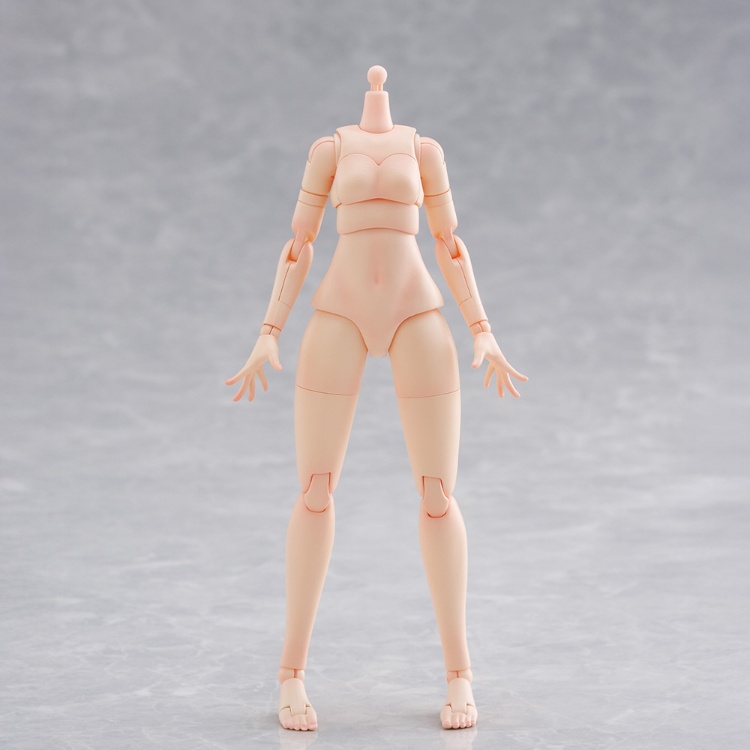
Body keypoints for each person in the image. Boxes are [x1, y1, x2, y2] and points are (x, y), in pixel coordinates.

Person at [226, 66, 527, 731]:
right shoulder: (329, 150)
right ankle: (291, 673)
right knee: (315, 489)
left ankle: (460, 674)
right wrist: (268, 331)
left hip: (418, 312)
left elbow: (449, 244)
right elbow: (299, 244)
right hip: (338, 312)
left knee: (438, 494)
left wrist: (482, 328)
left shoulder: (425, 150)